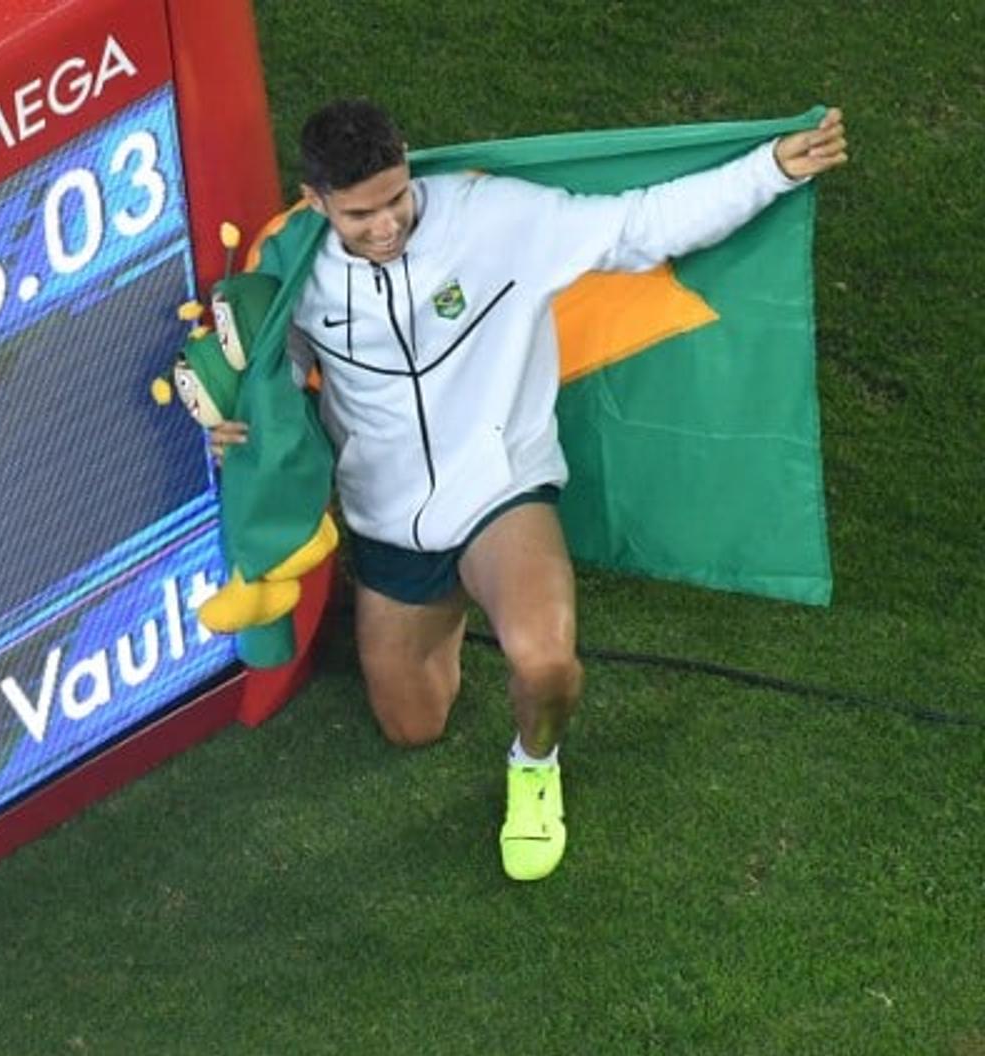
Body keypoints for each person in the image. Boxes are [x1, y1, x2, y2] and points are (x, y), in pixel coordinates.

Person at [211, 99, 848, 881]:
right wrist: (243, 425)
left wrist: (769, 170)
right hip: (388, 523)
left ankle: (534, 765)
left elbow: (636, 225)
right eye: (359, 214)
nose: (385, 226)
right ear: (315, 202)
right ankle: (437, 615)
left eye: (395, 199)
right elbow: (272, 373)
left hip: (500, 492)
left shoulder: (490, 217)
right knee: (412, 726)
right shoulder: (295, 264)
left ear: (409, 163)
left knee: (546, 664)